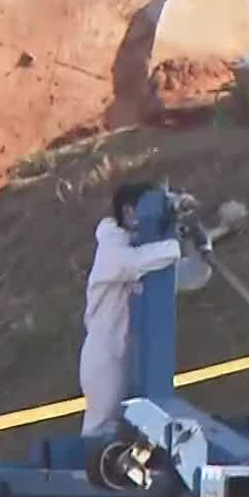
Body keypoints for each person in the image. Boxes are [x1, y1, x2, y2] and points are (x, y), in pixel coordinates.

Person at [79, 181, 185, 439]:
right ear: (128, 212)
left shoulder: (143, 247)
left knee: (130, 432)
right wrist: (177, 244)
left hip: (132, 354)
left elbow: (185, 276)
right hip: (105, 353)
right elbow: (133, 264)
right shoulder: (111, 247)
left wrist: (200, 243)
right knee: (100, 428)